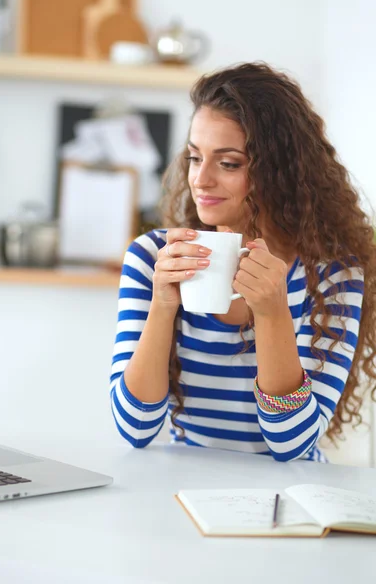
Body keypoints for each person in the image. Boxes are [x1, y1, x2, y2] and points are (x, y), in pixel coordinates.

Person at [110, 62, 376, 462]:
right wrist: (163, 305)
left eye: (229, 163)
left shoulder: (333, 275)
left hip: (289, 502)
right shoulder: (154, 258)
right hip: (184, 491)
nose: (201, 179)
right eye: (195, 158)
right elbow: (135, 428)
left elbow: (291, 444)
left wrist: (272, 314)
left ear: (281, 171)